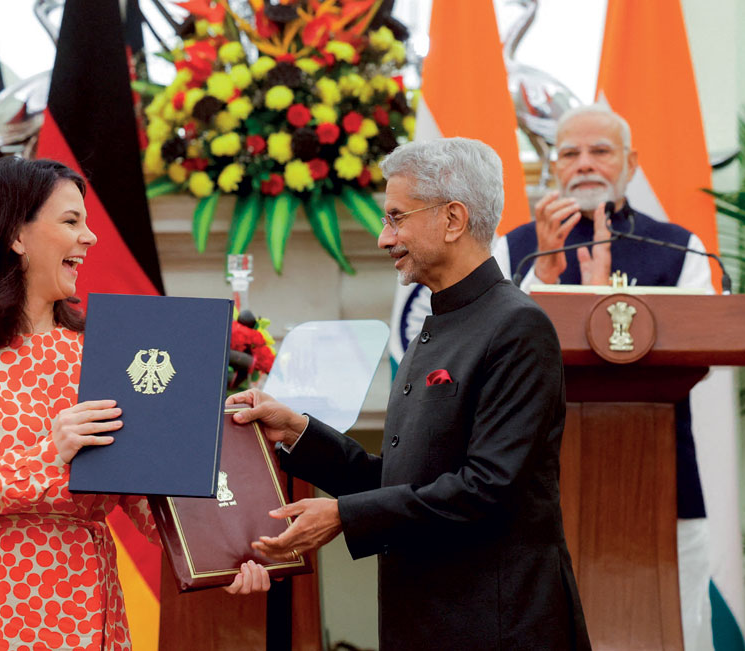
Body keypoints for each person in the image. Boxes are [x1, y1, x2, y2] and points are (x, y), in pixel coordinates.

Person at [230, 138, 590, 649]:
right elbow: (405, 480)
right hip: (423, 622)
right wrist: (299, 431)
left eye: (396, 217)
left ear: (453, 219)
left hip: (496, 628)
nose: (384, 238)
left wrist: (342, 517)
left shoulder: (518, 327)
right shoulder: (436, 324)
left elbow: (486, 490)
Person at [0, 157, 266, 649]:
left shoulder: (103, 352)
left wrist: (225, 552)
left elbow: (141, 492)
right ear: (15, 235)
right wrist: (48, 455)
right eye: (71, 221)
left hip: (92, 601)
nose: (91, 237)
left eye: (87, 221)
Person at [494, 103, 713, 649]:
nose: (585, 165)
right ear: (554, 164)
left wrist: (600, 295)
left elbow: (702, 342)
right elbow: (492, 351)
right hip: (540, 476)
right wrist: (547, 275)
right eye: (570, 153)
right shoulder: (516, 247)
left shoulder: (678, 246)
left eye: (600, 151)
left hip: (661, 474)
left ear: (631, 163)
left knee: (673, 626)